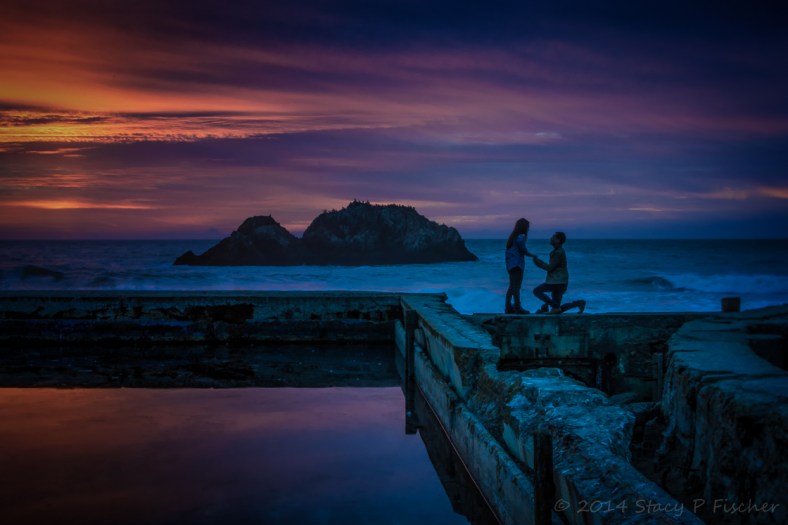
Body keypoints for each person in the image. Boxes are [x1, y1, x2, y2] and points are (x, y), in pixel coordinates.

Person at [532, 231, 586, 314]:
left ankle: (551, 305)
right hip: (559, 282)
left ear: (558, 240)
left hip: (557, 282)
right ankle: (578, 303)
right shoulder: (558, 251)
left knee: (537, 291)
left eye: (553, 237)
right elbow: (551, 266)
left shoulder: (558, 253)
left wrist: (537, 263)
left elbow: (550, 268)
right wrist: (539, 261)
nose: (550, 238)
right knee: (556, 310)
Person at [504, 218, 534, 314]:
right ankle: (517, 307)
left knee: (512, 286)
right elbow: (523, 251)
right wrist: (533, 255)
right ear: (524, 227)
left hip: (510, 265)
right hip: (517, 265)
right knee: (516, 287)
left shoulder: (512, 238)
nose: (528, 229)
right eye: (528, 227)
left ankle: (508, 306)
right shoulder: (520, 238)